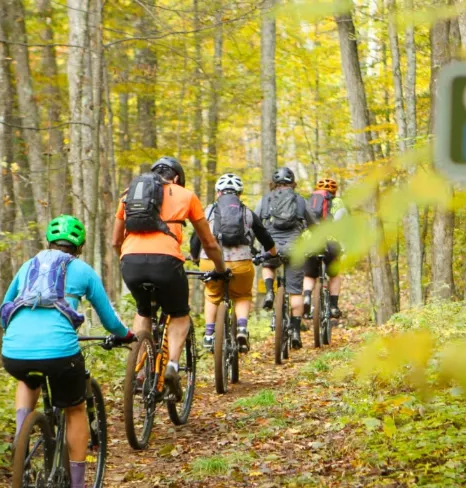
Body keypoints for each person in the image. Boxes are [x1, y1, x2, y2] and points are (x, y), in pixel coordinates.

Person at [0, 215, 134, 488]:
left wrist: (17, 336)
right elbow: (110, 320)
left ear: (48, 243)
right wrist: (125, 335)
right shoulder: (82, 270)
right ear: (81, 246)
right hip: (60, 352)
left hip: (14, 350)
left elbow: (4, 308)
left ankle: (22, 442)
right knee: (74, 409)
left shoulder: (27, 266)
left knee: (28, 378)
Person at [112, 156, 226, 391]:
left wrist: (128, 261)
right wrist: (220, 269)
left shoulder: (128, 194)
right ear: (176, 178)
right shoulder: (186, 195)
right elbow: (209, 242)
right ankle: (172, 365)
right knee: (179, 314)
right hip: (166, 261)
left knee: (143, 310)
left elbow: (115, 241)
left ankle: (140, 368)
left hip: (130, 260)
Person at [190, 173, 277, 353]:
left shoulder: (208, 211)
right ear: (239, 193)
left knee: (212, 295)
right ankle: (242, 329)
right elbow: (265, 237)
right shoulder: (247, 212)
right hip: (241, 263)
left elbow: (196, 237)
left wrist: (195, 257)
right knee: (242, 295)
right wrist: (273, 253)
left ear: (218, 193)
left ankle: (208, 334)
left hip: (211, 261)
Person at [254, 166, 318, 349]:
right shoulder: (299, 200)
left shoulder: (265, 200)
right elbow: (313, 224)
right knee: (295, 292)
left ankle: (268, 291)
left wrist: (254, 246)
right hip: (294, 247)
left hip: (271, 245)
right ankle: (296, 331)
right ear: (293, 183)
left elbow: (255, 222)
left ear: (273, 184)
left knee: (268, 264)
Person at [302, 177, 348, 320]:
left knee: (309, 275)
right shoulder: (339, 203)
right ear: (334, 191)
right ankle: (333, 306)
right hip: (331, 243)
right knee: (334, 274)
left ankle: (307, 297)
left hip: (311, 242)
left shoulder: (309, 202)